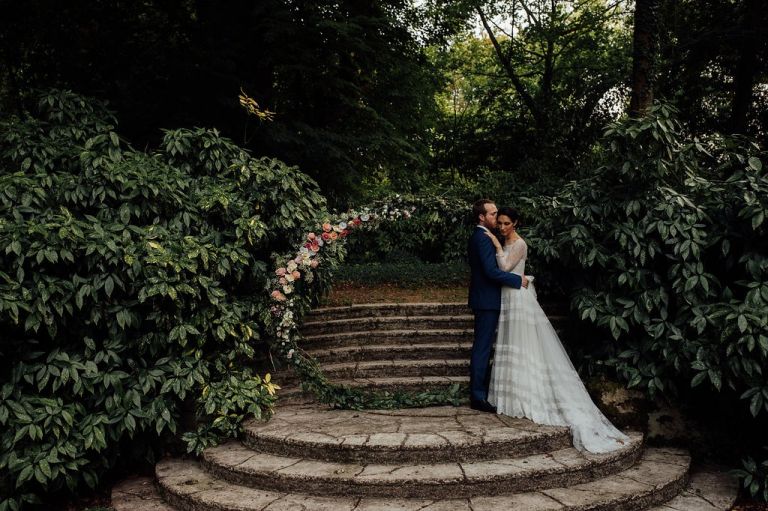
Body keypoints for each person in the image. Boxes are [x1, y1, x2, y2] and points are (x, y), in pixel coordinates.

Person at [485, 207, 629, 453]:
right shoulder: (505, 237)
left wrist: (497, 247)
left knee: (524, 344)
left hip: (519, 298)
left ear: (516, 223)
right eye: (499, 223)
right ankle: (511, 396)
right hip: (507, 297)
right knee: (511, 343)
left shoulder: (519, 244)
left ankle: (529, 395)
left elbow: (505, 268)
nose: (502, 227)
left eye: (507, 223)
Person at [467, 199, 528, 413]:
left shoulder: (484, 237)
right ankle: (477, 396)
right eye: (493, 214)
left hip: (487, 298)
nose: (496, 216)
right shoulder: (483, 238)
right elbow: (491, 272)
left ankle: (482, 392)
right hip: (486, 300)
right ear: (482, 217)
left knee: (485, 347)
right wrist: (517, 280)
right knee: (482, 348)